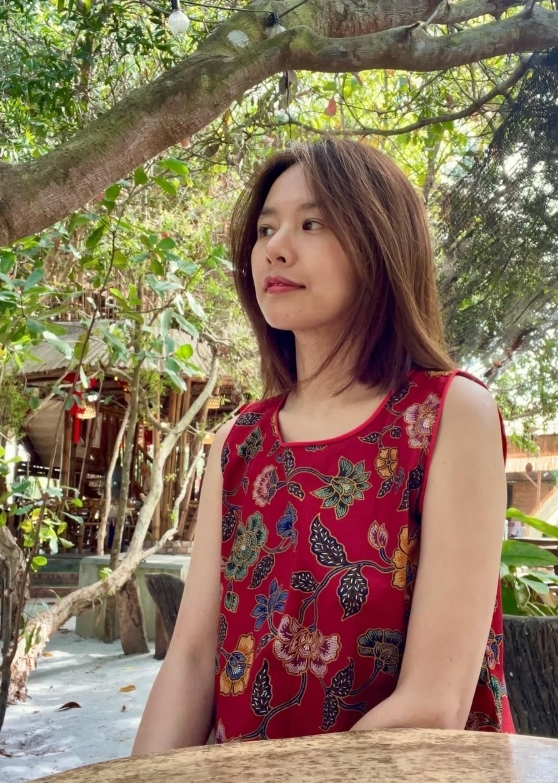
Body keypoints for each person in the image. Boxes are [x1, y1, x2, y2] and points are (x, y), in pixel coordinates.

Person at [132, 138, 513, 753]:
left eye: (312, 224)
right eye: (266, 229)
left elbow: (434, 702)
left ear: (380, 244)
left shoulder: (449, 414)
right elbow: (192, 661)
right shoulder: (238, 442)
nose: (275, 248)